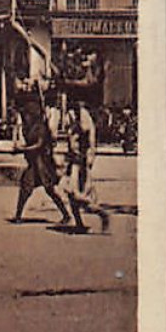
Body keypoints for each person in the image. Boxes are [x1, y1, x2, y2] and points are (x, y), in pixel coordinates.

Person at [12, 90, 71, 225]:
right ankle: (18, 215)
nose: (24, 116)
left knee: (49, 189)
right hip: (34, 163)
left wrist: (22, 149)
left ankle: (66, 214)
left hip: (42, 163)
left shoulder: (40, 127)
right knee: (25, 187)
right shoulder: (27, 128)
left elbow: (39, 145)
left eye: (26, 113)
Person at [59, 100, 110, 234]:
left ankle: (101, 213)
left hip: (80, 163)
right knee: (71, 196)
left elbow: (89, 143)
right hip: (73, 161)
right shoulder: (72, 120)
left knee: (76, 195)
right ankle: (80, 224)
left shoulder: (85, 123)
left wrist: (88, 159)